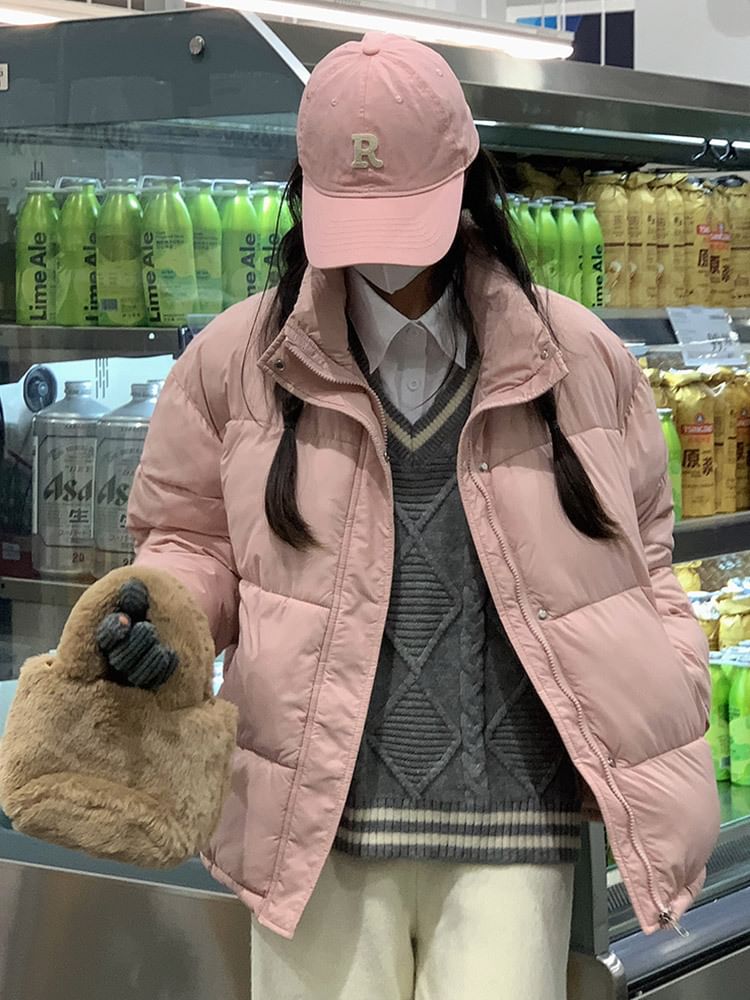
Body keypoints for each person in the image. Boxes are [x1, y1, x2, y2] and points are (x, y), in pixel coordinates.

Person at [106, 32, 719, 1000]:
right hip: (312, 821)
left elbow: (642, 561)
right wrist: (167, 616)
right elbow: (188, 539)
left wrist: (673, 690)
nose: (382, 246)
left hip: (514, 827)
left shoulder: (580, 359)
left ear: (466, 182)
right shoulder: (235, 362)